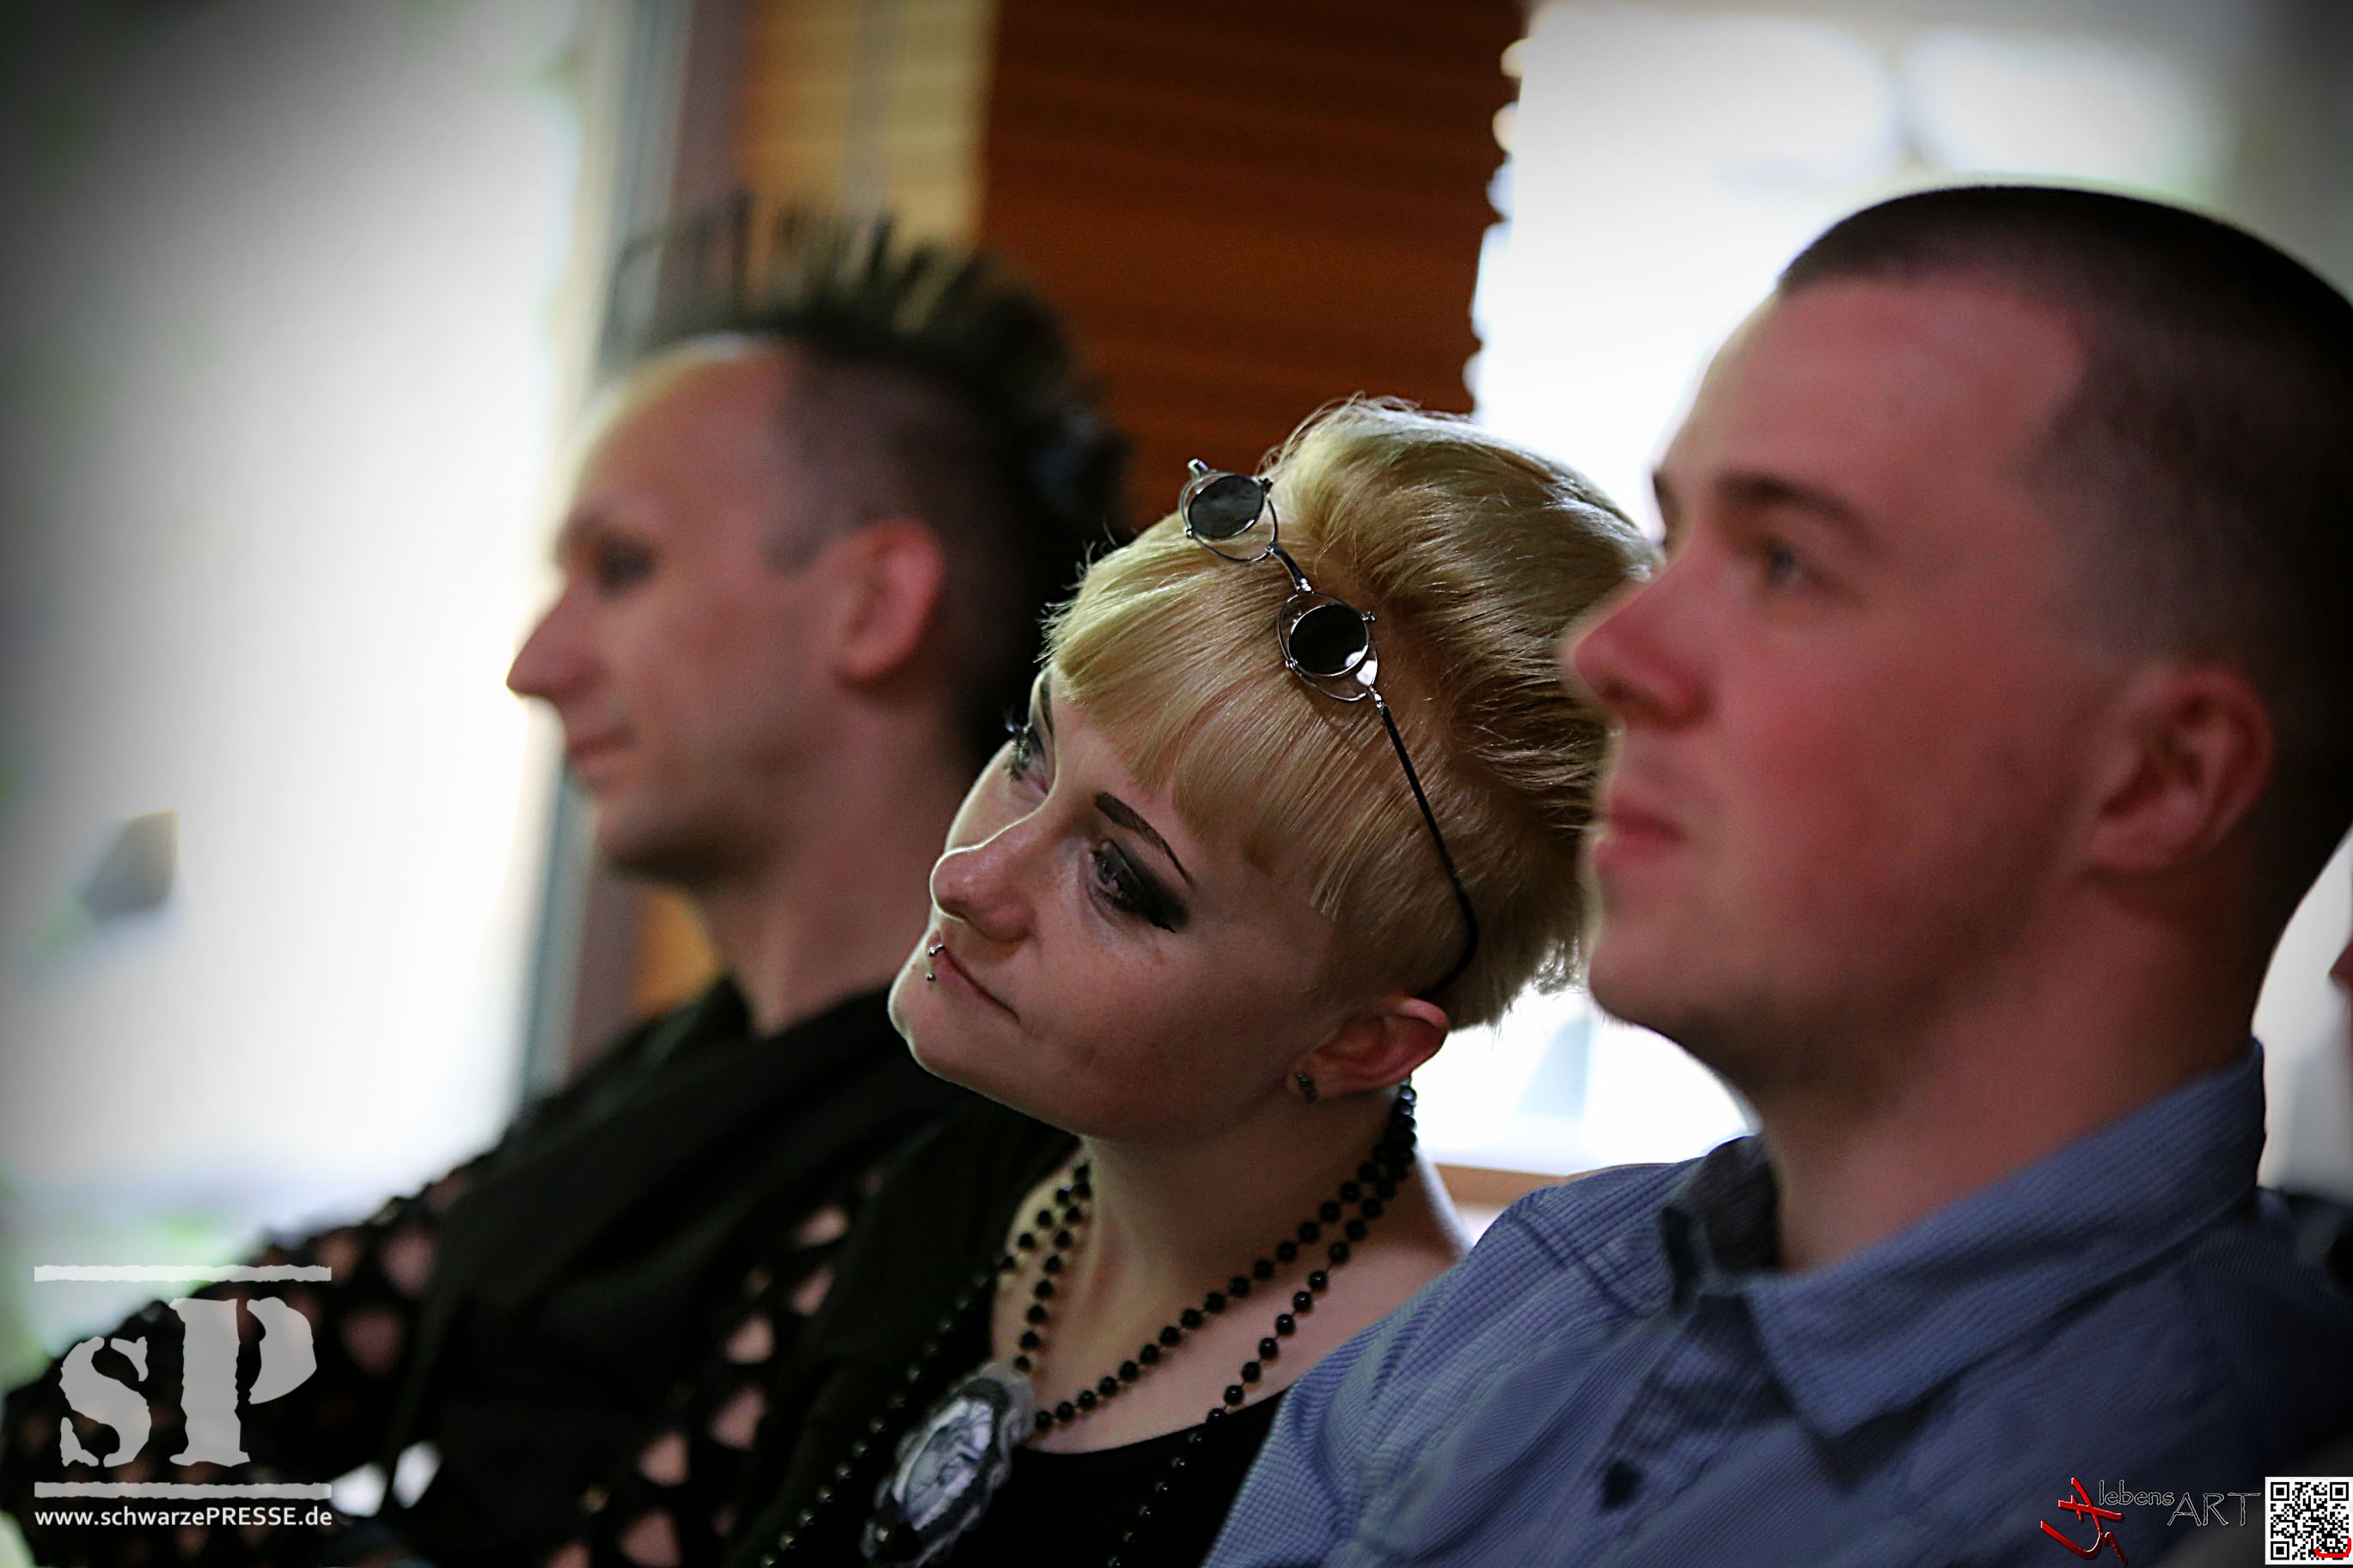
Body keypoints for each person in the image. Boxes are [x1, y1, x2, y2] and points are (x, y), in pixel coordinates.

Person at [1206, 186, 2353, 1568]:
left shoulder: (2256, 1502)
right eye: (1672, 541)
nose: (1606, 654)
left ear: (2160, 778)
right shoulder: (1534, 1283)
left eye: (1785, 563)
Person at [0, 210, 1122, 1568]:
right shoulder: (659, 1082)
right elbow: (79, 1428)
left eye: (622, 566)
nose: (535, 664)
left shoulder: (982, 1160)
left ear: (872, 604)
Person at [716, 400, 1651, 1568]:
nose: (968, 875)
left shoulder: (1403, 1467)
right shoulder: (958, 1184)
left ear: (1361, 1043)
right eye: (1029, 750)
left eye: (1120, 879)